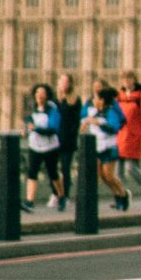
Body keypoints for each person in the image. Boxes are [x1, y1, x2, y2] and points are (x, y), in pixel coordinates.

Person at [82, 78, 127, 209]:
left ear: (102, 100)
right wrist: (86, 124)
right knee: (102, 176)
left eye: (96, 98)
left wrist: (99, 124)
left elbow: (114, 128)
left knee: (109, 175)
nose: (94, 100)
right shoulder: (96, 112)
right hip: (98, 148)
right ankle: (117, 195)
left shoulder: (110, 111)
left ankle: (122, 195)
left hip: (109, 147)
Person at [25, 84, 63, 208]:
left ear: (47, 96)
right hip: (35, 146)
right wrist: (26, 129)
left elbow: (53, 129)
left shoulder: (52, 110)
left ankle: (61, 195)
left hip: (49, 147)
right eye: (37, 93)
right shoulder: (33, 109)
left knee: (53, 173)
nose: (39, 95)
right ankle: (30, 201)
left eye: (42, 93)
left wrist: (36, 129)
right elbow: (29, 123)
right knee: (32, 172)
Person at [116, 73, 141, 207]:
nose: (127, 82)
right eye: (124, 80)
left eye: (129, 79)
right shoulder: (119, 95)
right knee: (118, 172)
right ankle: (121, 197)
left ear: (134, 81)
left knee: (131, 168)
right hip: (119, 136)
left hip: (134, 137)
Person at [53, 72, 82, 205]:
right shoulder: (54, 100)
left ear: (70, 84)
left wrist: (70, 135)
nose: (64, 84)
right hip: (53, 139)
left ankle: (65, 196)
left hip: (67, 140)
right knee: (52, 168)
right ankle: (56, 193)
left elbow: (76, 122)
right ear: (58, 83)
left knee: (65, 168)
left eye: (66, 82)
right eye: (62, 81)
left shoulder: (75, 100)